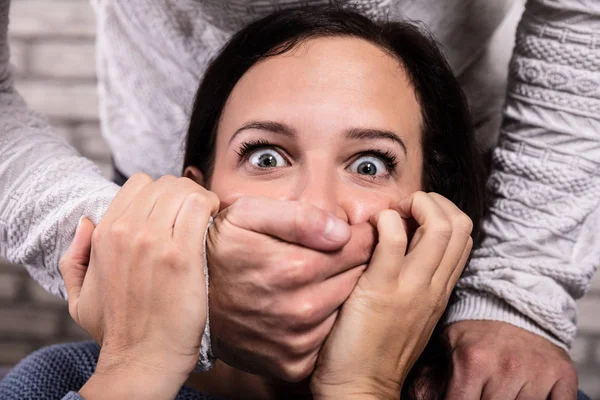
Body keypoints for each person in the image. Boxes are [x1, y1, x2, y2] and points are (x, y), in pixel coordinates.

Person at [0, 0, 597, 398]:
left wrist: (360, 386)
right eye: (266, 157)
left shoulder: (511, 387)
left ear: (432, 215)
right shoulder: (57, 382)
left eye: (370, 164)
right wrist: (138, 365)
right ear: (194, 189)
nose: (313, 214)